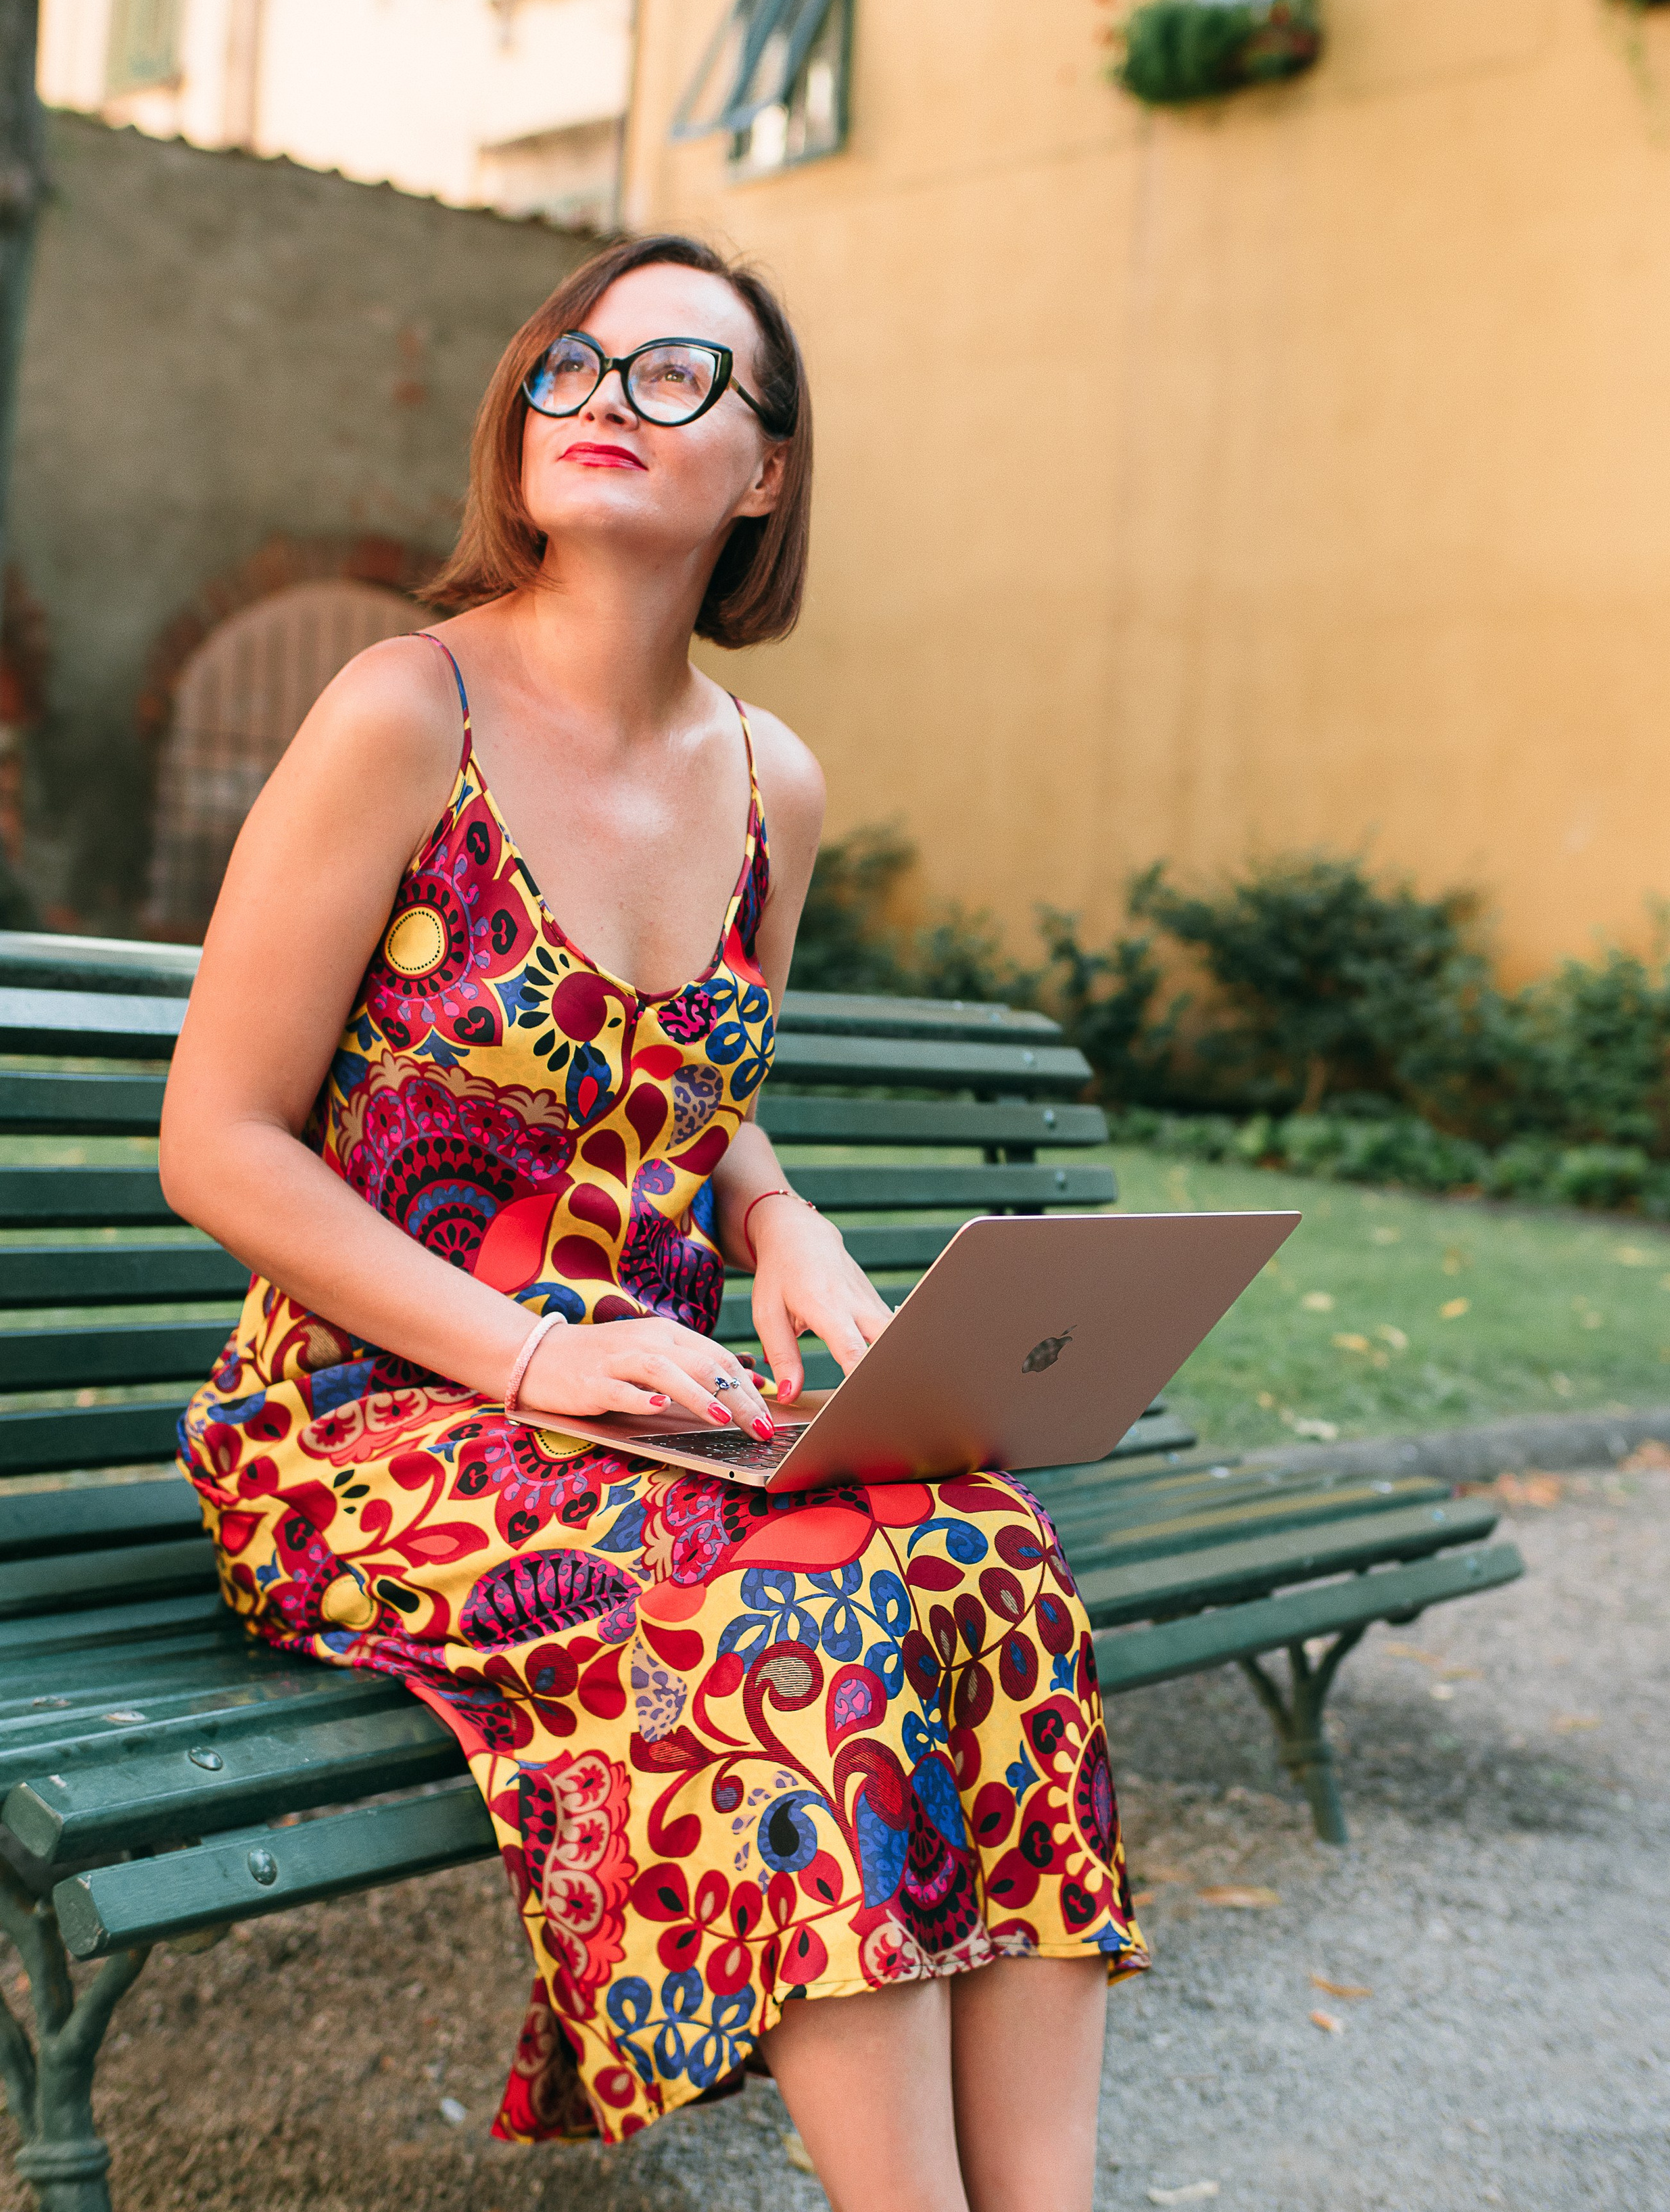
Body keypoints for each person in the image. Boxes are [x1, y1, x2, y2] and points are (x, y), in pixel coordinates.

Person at [162, 233, 1146, 2212]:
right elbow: (218, 1142)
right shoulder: (399, 711)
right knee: (792, 1607)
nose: (606, 397)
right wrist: (532, 1353)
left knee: (997, 1569)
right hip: (370, 1426)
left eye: (680, 376)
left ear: (766, 472)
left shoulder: (774, 782)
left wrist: (779, 1220)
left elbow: (701, 1092)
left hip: (653, 1397)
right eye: (573, 366)